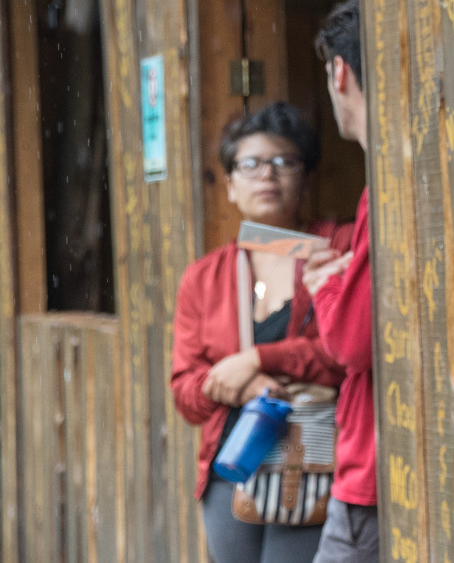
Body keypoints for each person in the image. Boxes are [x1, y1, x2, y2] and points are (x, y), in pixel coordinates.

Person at [172, 103, 344, 563]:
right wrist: (240, 386)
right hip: (234, 462)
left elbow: (347, 352)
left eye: (283, 162)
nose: (267, 174)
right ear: (229, 185)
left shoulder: (336, 250)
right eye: (249, 164)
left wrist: (258, 360)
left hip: (318, 459)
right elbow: (185, 392)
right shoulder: (204, 277)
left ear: (305, 178)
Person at [303, 0, 378, 563]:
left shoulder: (388, 186)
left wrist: (329, 286)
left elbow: (351, 343)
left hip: (376, 467)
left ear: (339, 72)